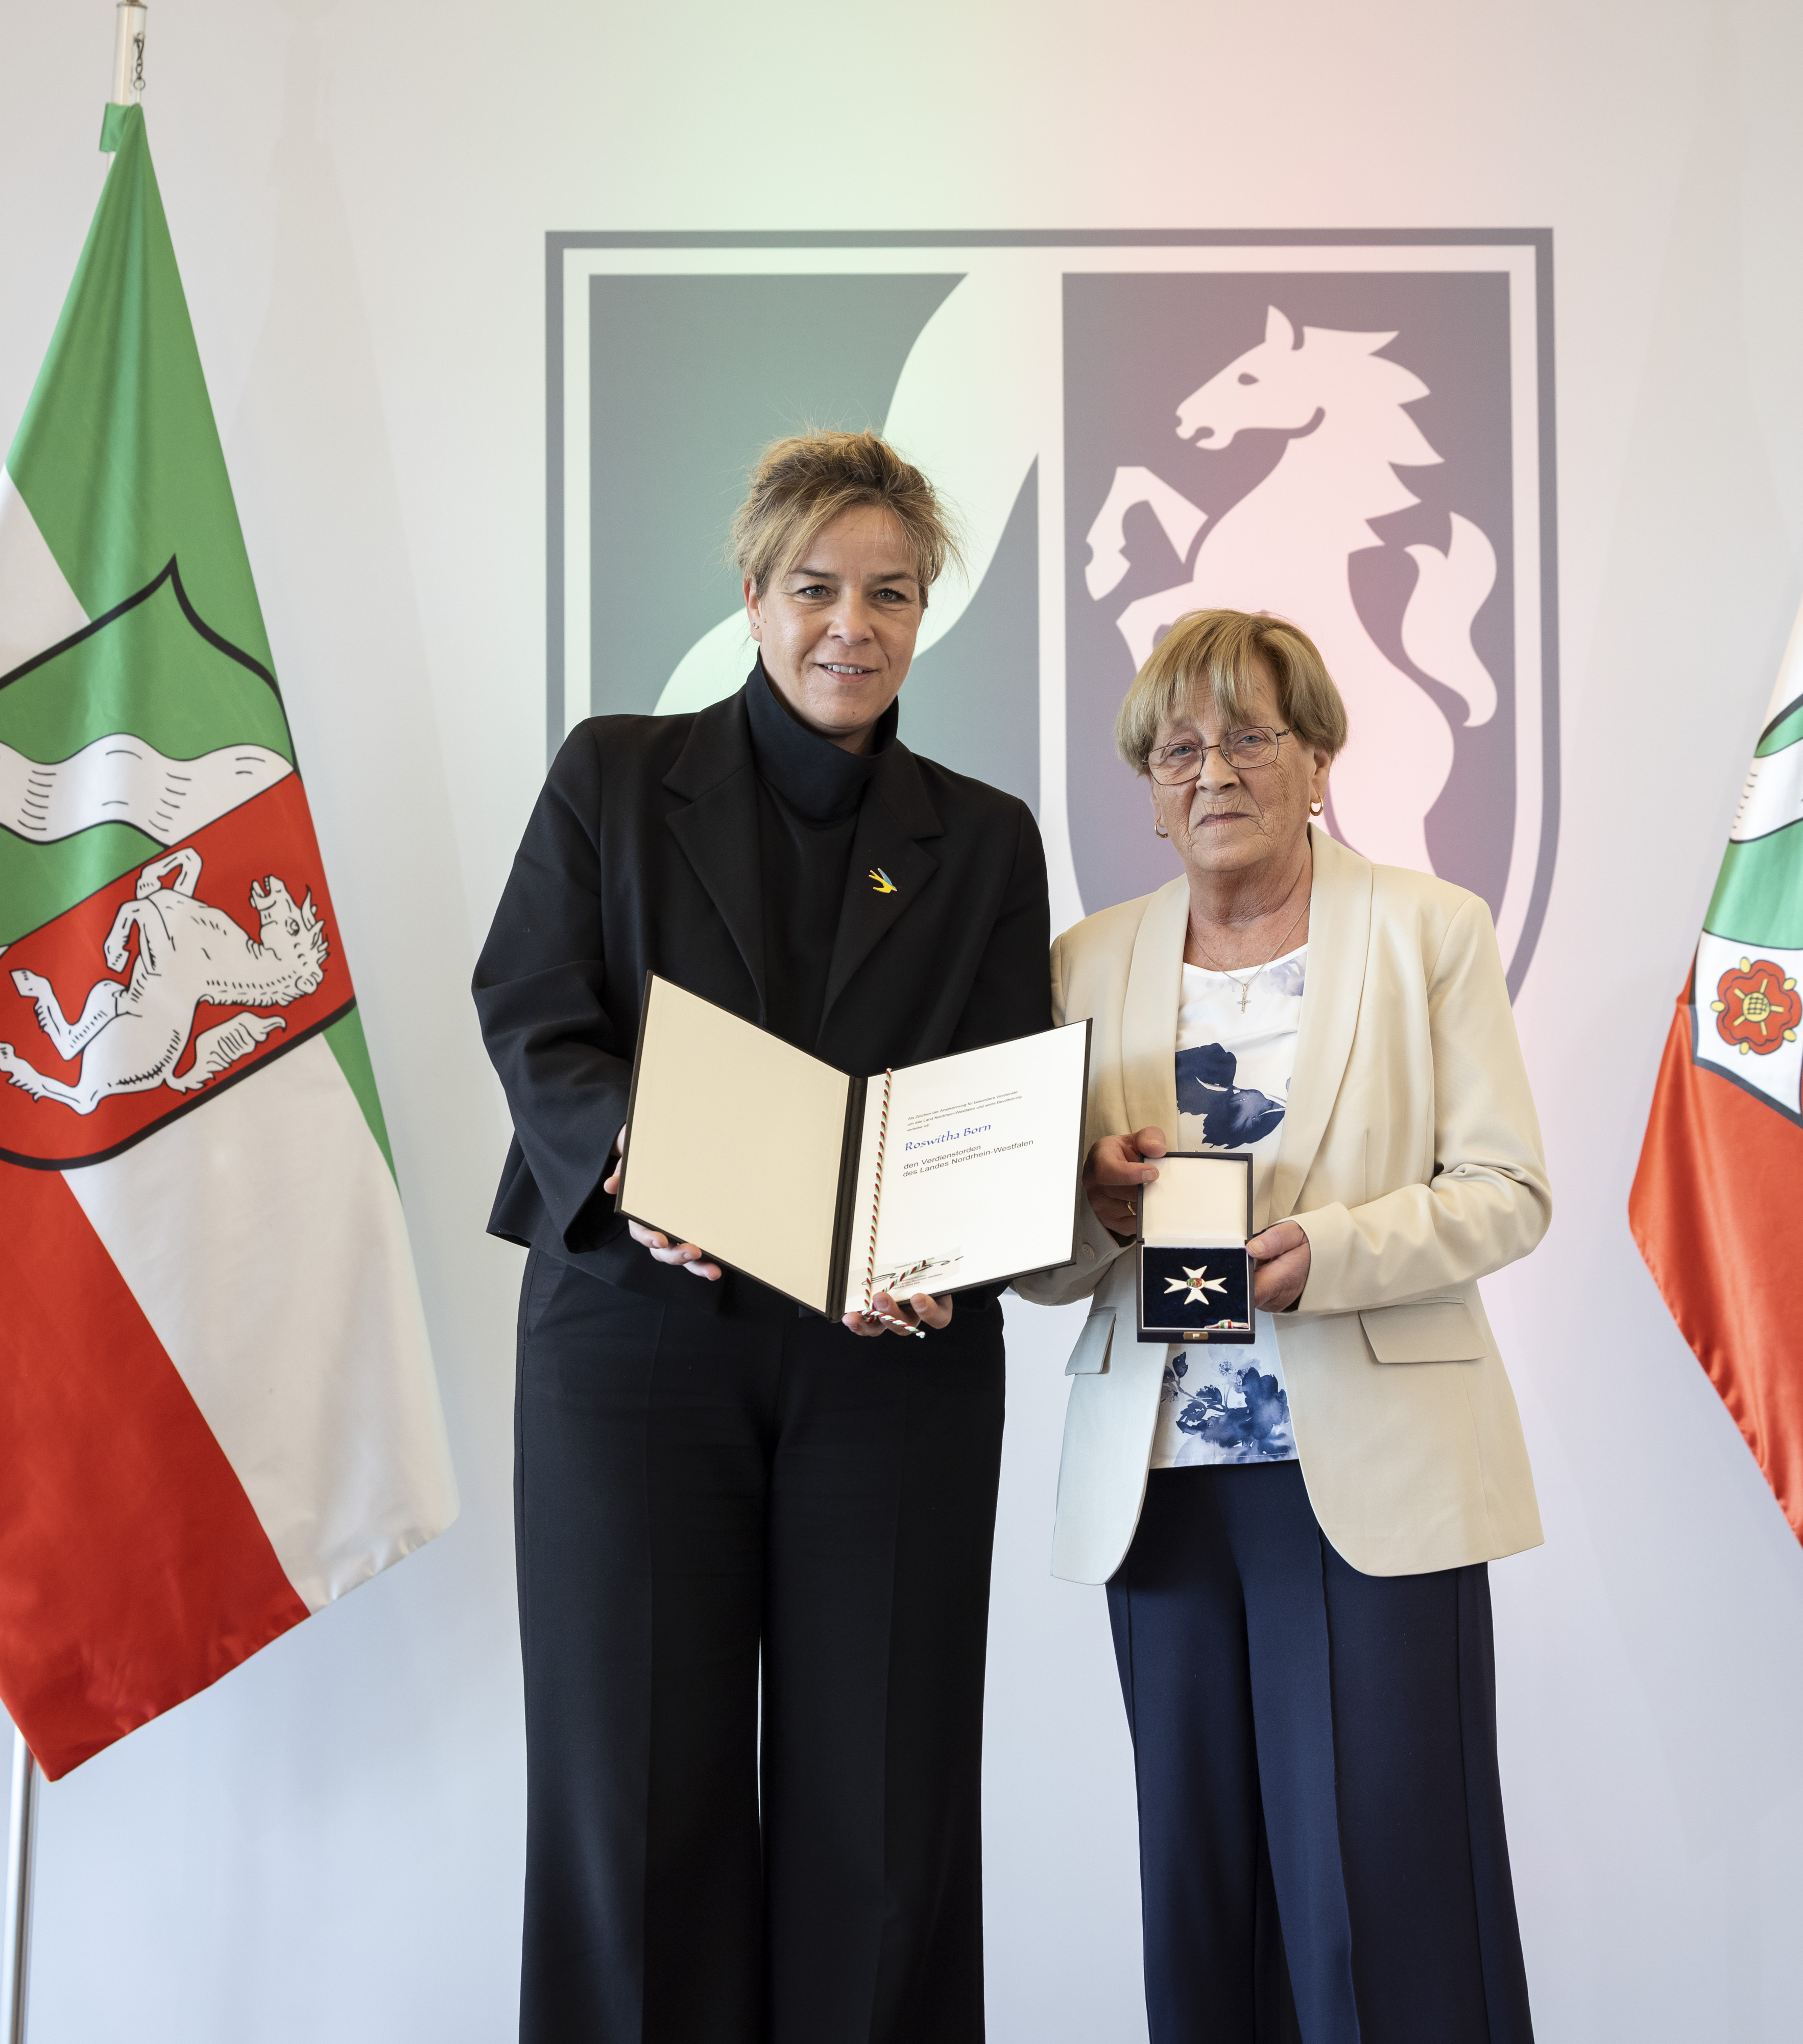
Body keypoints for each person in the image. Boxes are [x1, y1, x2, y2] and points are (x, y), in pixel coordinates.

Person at [472, 430, 1051, 2044]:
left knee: (886, 1818)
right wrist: (636, 1154)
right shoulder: (611, 775)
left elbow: (1000, 1085)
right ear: (752, 595)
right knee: (634, 1799)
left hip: (893, 1367)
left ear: (925, 612)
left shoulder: (986, 838)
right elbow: (531, 1004)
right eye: (815, 587)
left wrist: (948, 1252)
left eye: (892, 593)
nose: (850, 625)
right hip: (636, 1340)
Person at [1015, 609, 1552, 2044]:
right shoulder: (1084, 962)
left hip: (1369, 1478)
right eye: (1177, 748)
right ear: (1149, 785)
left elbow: (1508, 1193)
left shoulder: (1430, 930)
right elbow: (1040, 1265)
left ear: (1318, 758)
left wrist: (1334, 1253)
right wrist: (1090, 1204)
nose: (1213, 772)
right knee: (1203, 1907)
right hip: (1161, 1488)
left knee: (1387, 1903)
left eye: (1250, 735)